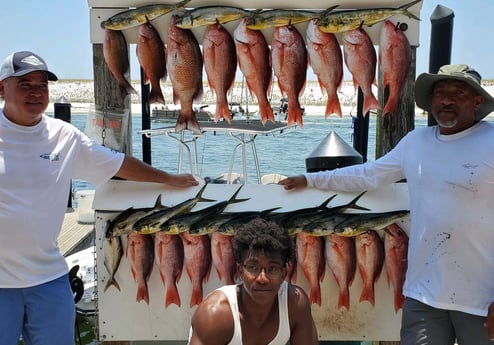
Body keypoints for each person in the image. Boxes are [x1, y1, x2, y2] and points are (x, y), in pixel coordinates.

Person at [0, 51, 199, 345]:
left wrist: (170, 179)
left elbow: (117, 163)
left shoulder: (64, 136)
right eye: (25, 84)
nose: (36, 92)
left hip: (48, 277)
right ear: (0, 88)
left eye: (42, 85)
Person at [279, 64, 494, 344]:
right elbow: (368, 175)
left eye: (458, 92)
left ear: (477, 100)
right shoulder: (415, 142)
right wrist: (310, 179)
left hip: (482, 300)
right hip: (423, 295)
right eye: (440, 92)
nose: (447, 99)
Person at [188, 217, 319, 345]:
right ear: (240, 270)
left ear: (283, 273)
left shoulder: (295, 304)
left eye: (272, 269)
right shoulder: (215, 314)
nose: (262, 278)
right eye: (253, 268)